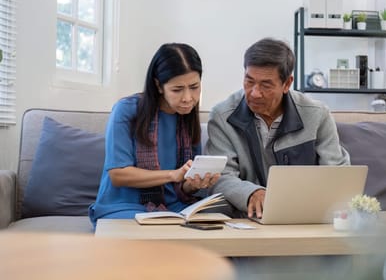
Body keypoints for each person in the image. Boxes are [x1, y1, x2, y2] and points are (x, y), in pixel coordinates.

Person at [206, 38, 350, 219]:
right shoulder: (222, 116)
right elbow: (220, 176)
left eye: (266, 85)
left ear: (287, 84)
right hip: (247, 216)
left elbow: (336, 173)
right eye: (249, 81)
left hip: (304, 214)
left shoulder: (317, 115)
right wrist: (252, 193)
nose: (255, 93)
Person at [89, 43, 219, 226]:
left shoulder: (187, 118)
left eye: (194, 87)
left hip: (173, 207)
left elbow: (183, 185)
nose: (188, 98)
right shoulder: (126, 110)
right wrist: (172, 175)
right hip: (123, 207)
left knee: (221, 219)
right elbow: (118, 175)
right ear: (158, 85)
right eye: (177, 89)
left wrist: (194, 183)